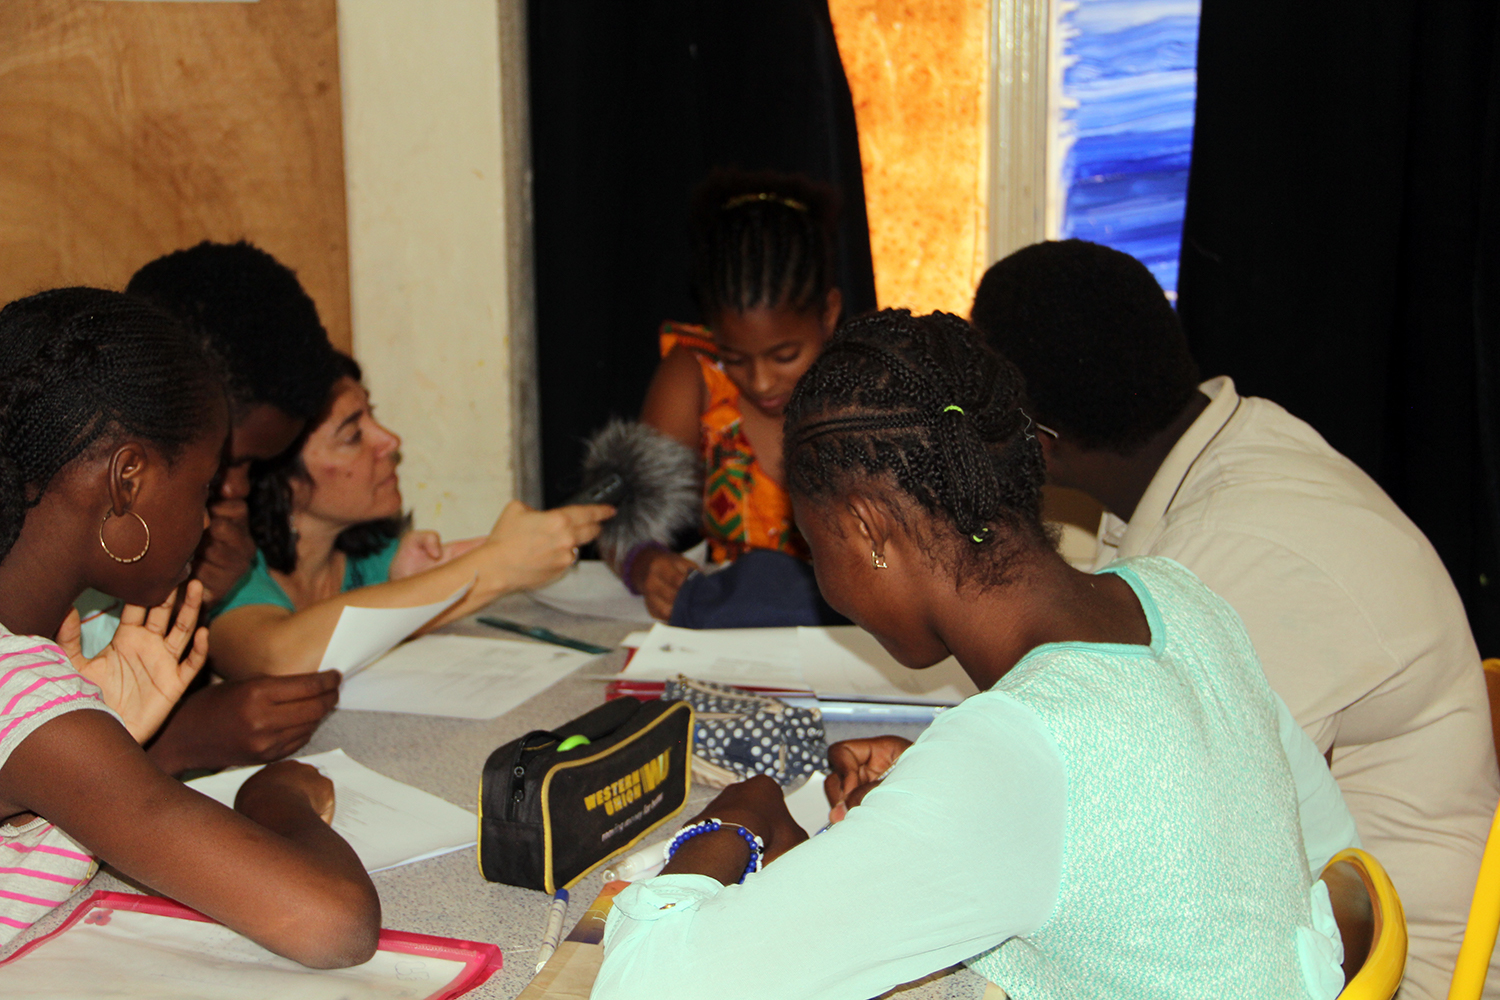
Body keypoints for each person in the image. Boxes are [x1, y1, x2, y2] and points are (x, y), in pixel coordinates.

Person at [592, 310, 1358, 1000]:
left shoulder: (1015, 756)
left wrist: (735, 824)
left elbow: (645, 986)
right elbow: (1330, 857)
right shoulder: (1180, 602)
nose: (819, 574)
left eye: (812, 541)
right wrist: (936, 792)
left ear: (864, 529)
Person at [969, 238, 1500, 1000]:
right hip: (1324, 931)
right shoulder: (1235, 451)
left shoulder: (1235, 551)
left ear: (1039, 444)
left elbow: (1143, 837)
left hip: (1389, 972)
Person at [0, 288, 378, 965]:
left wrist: (111, 746)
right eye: (202, 487)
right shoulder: (23, 692)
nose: (207, 522)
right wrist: (275, 796)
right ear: (128, 483)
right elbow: (332, 922)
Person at [74, 241, 348, 775]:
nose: (235, 492)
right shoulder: (40, 551)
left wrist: (195, 597)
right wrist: (180, 741)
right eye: (223, 463)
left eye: (258, 468)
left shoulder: (179, 538)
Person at [208, 354, 612, 679]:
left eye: (373, 416)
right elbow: (279, 659)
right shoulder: (228, 573)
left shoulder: (380, 561)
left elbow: (385, 616)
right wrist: (496, 566)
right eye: (352, 436)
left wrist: (453, 578)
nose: (390, 441)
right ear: (284, 481)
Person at [629, 169, 843, 619]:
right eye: (736, 357)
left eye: (785, 355)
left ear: (829, 312)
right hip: (732, 632)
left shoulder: (864, 388)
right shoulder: (696, 381)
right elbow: (627, 517)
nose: (761, 382)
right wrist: (645, 563)